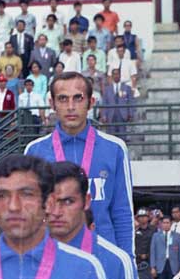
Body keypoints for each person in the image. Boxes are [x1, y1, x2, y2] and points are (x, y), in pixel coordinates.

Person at [27, 73, 134, 255]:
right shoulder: (35, 151)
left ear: (91, 102)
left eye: (78, 98)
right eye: (63, 99)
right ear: (52, 104)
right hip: (54, 260)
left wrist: (127, 263)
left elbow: (122, 213)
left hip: (104, 257)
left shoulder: (114, 148)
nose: (70, 107)